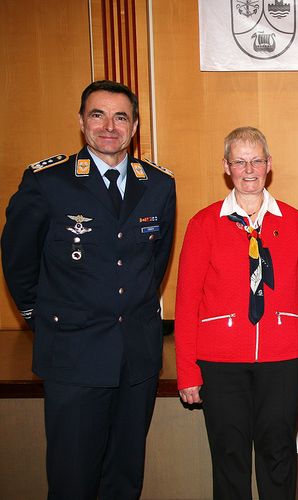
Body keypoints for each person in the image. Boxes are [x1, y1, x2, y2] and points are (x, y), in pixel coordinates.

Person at [0, 80, 176, 499]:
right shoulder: (49, 182)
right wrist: (41, 320)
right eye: (98, 115)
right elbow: (17, 260)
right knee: (72, 479)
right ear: (81, 122)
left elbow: (155, 264)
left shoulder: (158, 184)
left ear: (134, 127)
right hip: (74, 356)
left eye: (120, 117)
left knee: (125, 475)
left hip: (136, 357)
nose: (109, 126)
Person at [175, 126, 298, 499]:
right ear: (226, 166)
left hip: (285, 357)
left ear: (269, 165)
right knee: (230, 455)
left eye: (256, 160)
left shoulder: (293, 221)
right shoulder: (203, 223)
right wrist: (187, 371)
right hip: (220, 360)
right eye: (240, 161)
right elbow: (186, 300)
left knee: (278, 451)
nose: (249, 169)